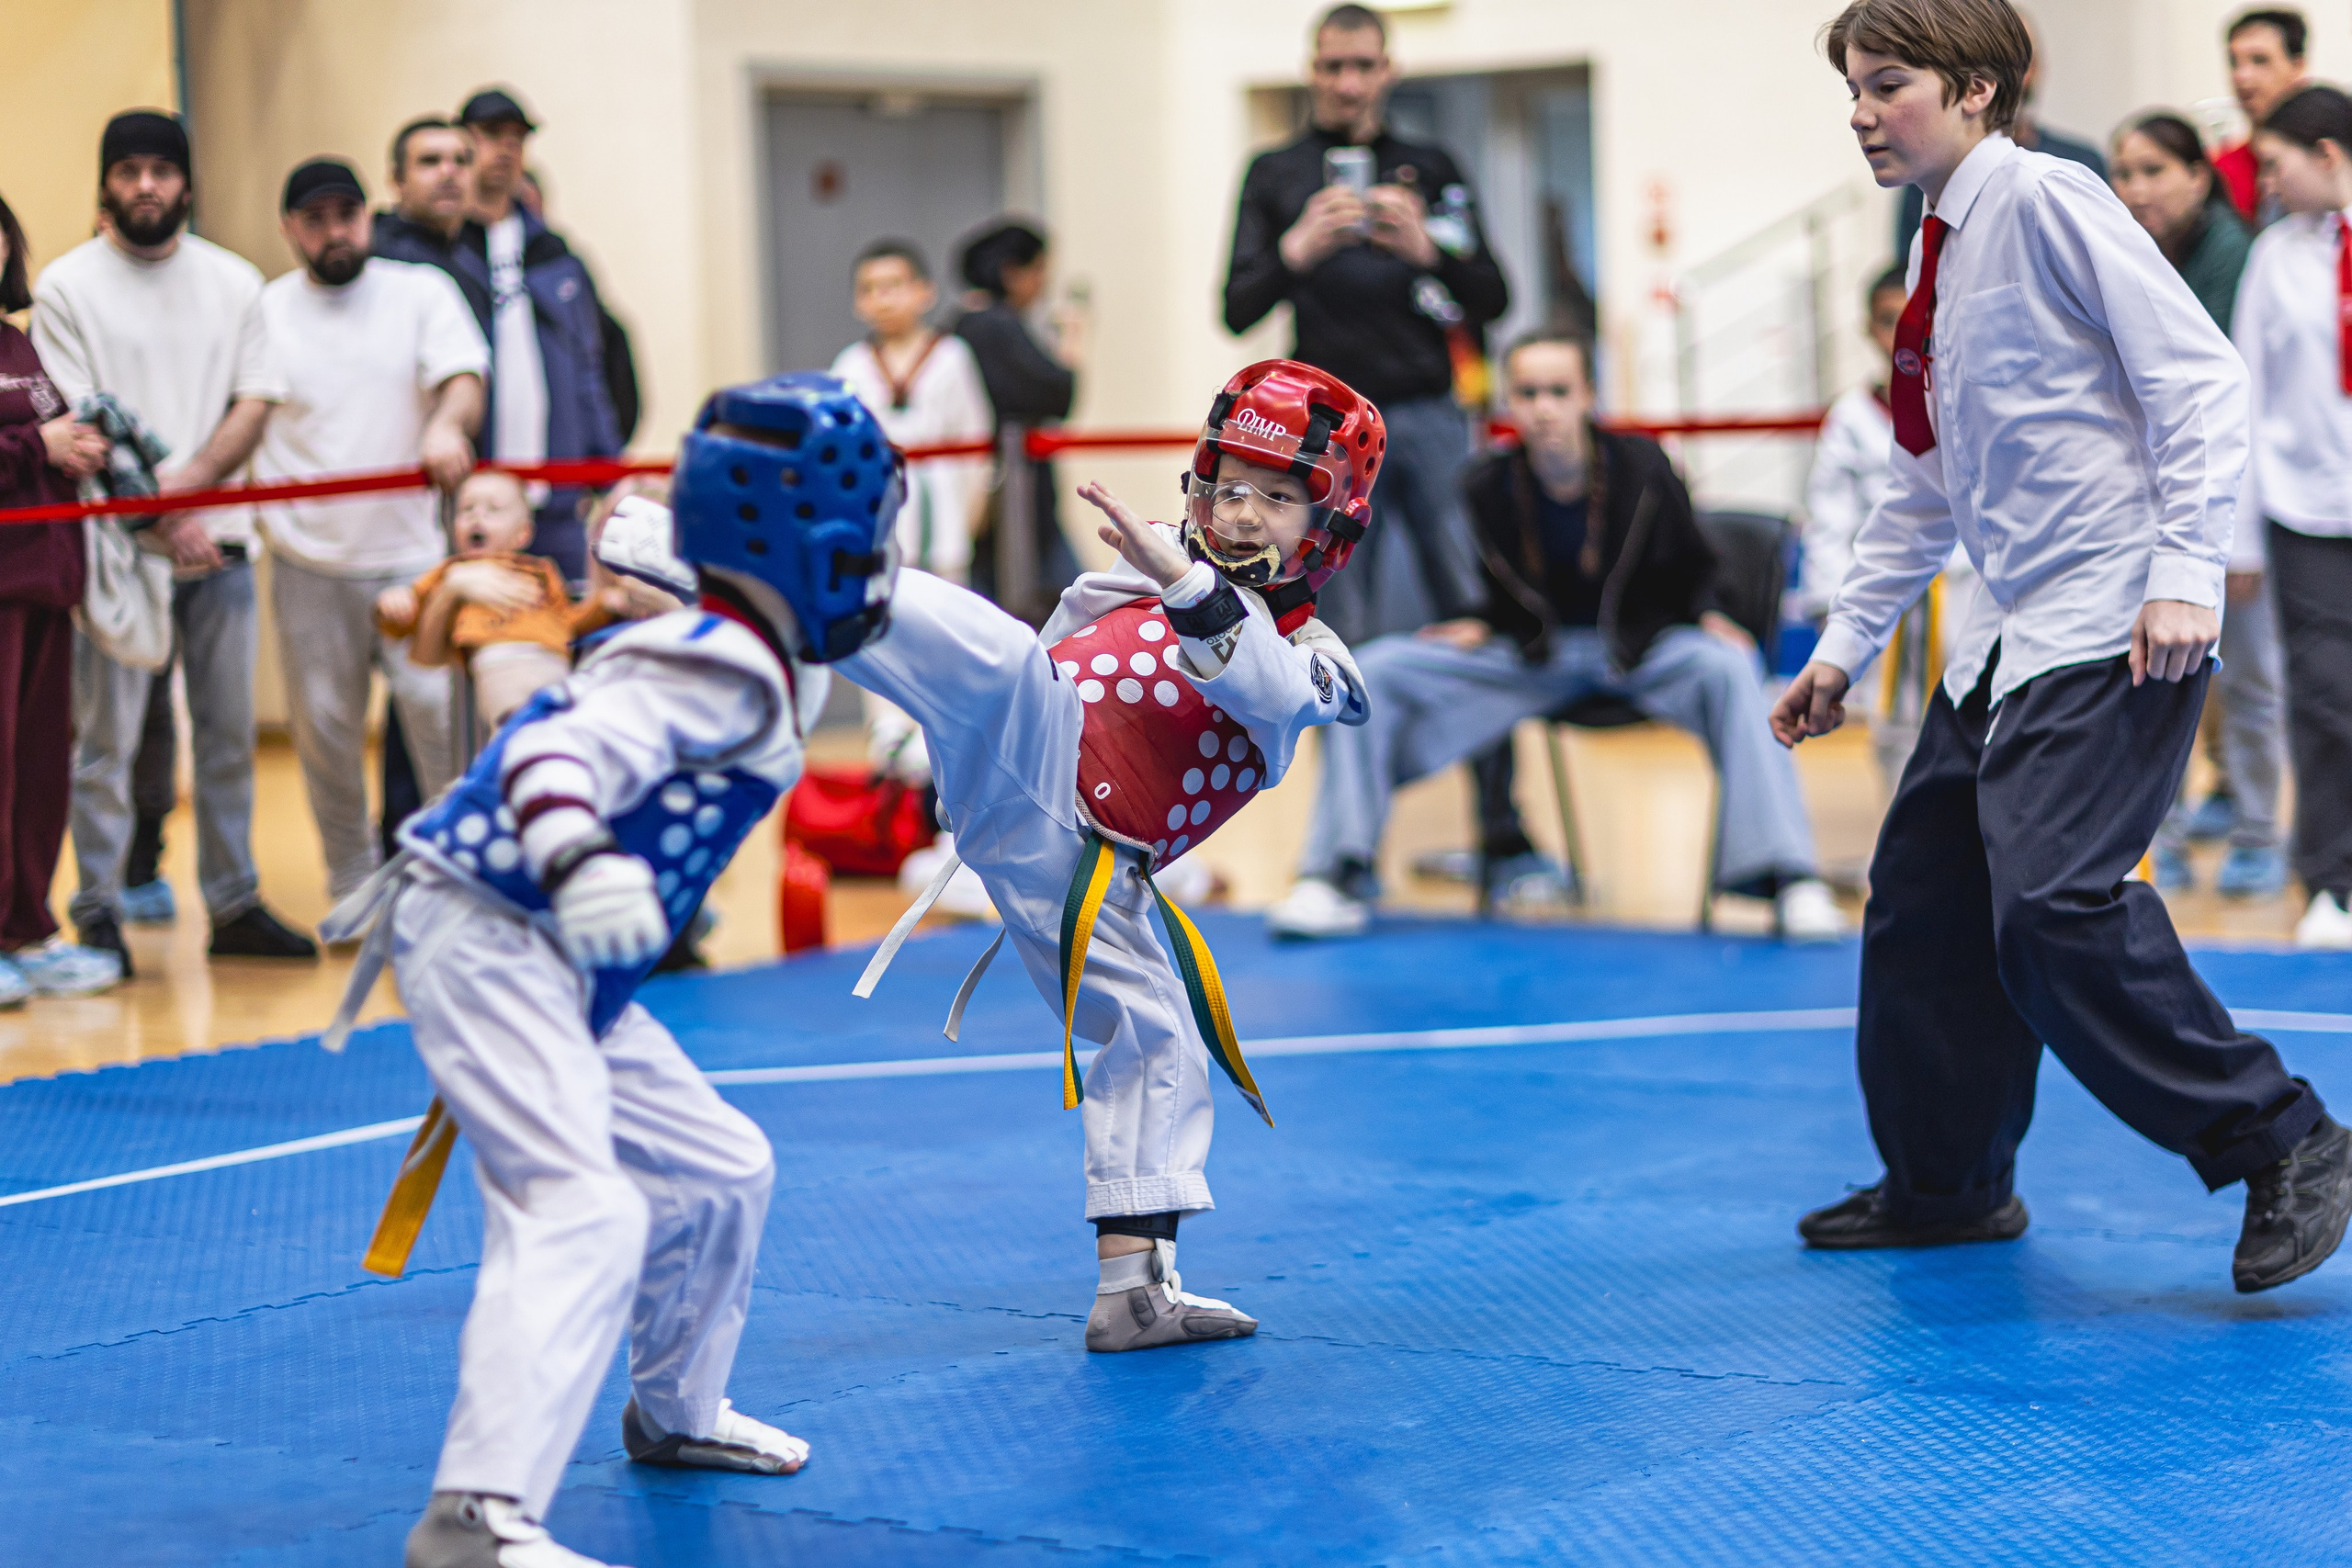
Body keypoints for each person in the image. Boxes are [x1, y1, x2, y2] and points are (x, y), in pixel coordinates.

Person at [1785, 0, 2347, 1295]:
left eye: (1890, 85)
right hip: (2003, 636)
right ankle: (1948, 1184)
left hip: (2113, 620)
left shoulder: (2050, 199)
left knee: (2050, 903)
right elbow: (1925, 479)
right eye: (1854, 91)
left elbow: (2199, 379)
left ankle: (2287, 1137)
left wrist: (2184, 572)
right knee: (1924, 904)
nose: (1865, 112)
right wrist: (1847, 645)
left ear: (1979, 90)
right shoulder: (1939, 247)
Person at [319, 377, 880, 1568]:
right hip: (493, 923)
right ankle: (474, 1515)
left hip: (556, 951)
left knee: (723, 1167)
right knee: (581, 1207)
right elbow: (551, 749)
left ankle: (674, 1411)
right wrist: (577, 855)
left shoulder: (749, 652)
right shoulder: (711, 659)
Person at [844, 359, 1375, 1352]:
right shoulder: (1146, 567)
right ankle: (770, 580)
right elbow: (1058, 645)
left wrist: (1180, 579)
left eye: (1274, 497)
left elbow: (1262, 687)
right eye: (1226, 489)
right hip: (1038, 770)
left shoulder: (1318, 659)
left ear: (1332, 522)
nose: (1244, 514)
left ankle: (1133, 1291)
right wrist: (1165, 573)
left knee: (1153, 1041)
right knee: (989, 657)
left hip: (1088, 857)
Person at [1265, 331, 1846, 942]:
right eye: (1529, 392)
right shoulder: (1485, 483)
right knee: (1378, 668)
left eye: (1559, 391)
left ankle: (1787, 877)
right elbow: (1500, 588)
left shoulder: (1644, 465)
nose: (1544, 407)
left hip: (1642, 651)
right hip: (1532, 657)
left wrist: (1710, 612)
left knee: (1731, 669)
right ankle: (1333, 872)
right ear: (1508, 403)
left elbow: (1694, 565)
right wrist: (1481, 622)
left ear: (1588, 396)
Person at [33, 108, 316, 971]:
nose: (145, 185)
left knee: (227, 737)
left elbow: (255, 400)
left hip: (220, 548)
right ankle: (98, 907)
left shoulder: (236, 283)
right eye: (128, 170)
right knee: (107, 744)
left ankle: (232, 901)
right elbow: (82, 424)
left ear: (187, 182)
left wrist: (185, 495)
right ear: (105, 182)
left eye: (161, 169)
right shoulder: (65, 287)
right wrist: (159, 517)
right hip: (118, 556)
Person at [1223, 3, 1509, 643]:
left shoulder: (1431, 166)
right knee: (1336, 619)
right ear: (1311, 71)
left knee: (1472, 605)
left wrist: (1427, 252)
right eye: (1332, 67)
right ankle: (1354, 746)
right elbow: (1236, 309)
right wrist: (1296, 251)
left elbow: (1495, 297)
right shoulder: (1275, 172)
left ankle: (1484, 743)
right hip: (1328, 431)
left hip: (1431, 413)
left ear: (1388, 71)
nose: (1347, 84)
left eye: (1362, 66)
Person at [253, 157, 486, 904]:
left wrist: (448, 426)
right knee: (325, 733)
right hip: (307, 558)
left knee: (438, 718)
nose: (334, 231)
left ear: (367, 216)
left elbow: (463, 377)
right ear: (291, 229)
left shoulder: (420, 293)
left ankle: (455, 875)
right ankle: (352, 882)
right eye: (315, 219)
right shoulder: (266, 310)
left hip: (412, 556)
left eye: (345, 215)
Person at [2109, 112, 2283, 899]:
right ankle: (2161, 836)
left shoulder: (2239, 259)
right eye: (2123, 172)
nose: (2134, 188)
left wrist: (2235, 537)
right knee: (2154, 680)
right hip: (2140, 504)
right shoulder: (2116, 250)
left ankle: (2256, 833)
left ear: (2198, 177)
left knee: (2250, 681)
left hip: (2227, 504)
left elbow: (2227, 400)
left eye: (2152, 170)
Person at [2232, 85, 2352, 947]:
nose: (2265, 181)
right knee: (2324, 700)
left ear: (2329, 157)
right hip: (2306, 511)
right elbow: (2246, 392)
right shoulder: (2273, 257)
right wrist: (2237, 534)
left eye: (2277, 163)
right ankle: (2333, 882)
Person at [1800, 265, 1981, 792]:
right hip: (1899, 603)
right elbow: (1829, 519)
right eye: (1887, 320)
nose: (1904, 330)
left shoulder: (1970, 400)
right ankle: (1912, 852)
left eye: (1917, 316)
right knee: (1899, 733)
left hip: (1976, 590)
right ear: (1867, 331)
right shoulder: (1852, 418)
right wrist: (1829, 608)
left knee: (1985, 723)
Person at [0, 194, 117, 1003]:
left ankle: (27, 927)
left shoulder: (16, 341)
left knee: (40, 764)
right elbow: (23, 442)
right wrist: (31, 445)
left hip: (46, 581)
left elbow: (44, 435)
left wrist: (73, 446)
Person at [458, 85, 623, 581]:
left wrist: (609, 471)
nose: (505, 147)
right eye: (491, 135)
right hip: (471, 504)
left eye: (517, 137)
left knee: (565, 634)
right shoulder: (441, 252)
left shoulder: (556, 254)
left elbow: (588, 367)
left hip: (555, 496)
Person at [376, 469, 615, 728]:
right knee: (515, 729)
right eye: (467, 509)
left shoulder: (542, 571)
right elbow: (407, 620)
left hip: (553, 663)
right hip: (499, 663)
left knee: (561, 731)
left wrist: (602, 607)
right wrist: (393, 602)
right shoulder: (449, 572)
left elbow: (568, 620)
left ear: (523, 533)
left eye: (494, 510)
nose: (478, 516)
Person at [830, 239, 993, 585]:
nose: (882, 299)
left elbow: (975, 442)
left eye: (893, 287)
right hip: (877, 520)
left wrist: (969, 523)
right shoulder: (850, 364)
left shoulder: (951, 356)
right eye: (868, 289)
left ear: (924, 292)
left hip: (944, 518)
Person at [1891, 7, 2104, 257]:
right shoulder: (1930, 176)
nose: (2009, 78)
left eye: (2022, 63)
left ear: (2038, 69)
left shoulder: (2079, 164)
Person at [953, 218, 1085, 618]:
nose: (1044, 283)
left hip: (1009, 489)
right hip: (1012, 493)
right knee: (1074, 607)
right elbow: (1058, 393)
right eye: (1040, 270)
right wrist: (1075, 338)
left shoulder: (972, 322)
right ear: (1012, 272)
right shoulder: (990, 325)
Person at [2213, 10, 2309, 225]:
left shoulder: (2330, 157)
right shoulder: (2221, 169)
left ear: (2298, 66)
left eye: (2260, 60)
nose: (2241, 76)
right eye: (2234, 62)